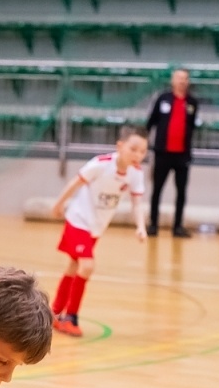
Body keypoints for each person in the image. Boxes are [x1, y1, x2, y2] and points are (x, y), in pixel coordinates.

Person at [49, 131, 148, 338]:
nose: (137, 154)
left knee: (74, 265)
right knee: (87, 265)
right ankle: (71, 318)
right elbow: (75, 183)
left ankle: (55, 313)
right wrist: (59, 205)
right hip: (79, 220)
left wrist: (140, 226)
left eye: (142, 151)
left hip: (96, 226)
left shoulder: (136, 173)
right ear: (120, 146)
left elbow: (137, 202)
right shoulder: (101, 164)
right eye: (133, 149)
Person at [144, 68, 201, 238]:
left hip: (182, 155)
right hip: (162, 153)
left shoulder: (192, 102)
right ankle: (153, 224)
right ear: (173, 80)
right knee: (157, 189)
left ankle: (178, 226)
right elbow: (151, 121)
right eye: (179, 78)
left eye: (185, 78)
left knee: (181, 192)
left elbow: (191, 125)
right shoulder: (163, 99)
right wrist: (144, 142)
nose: (182, 81)